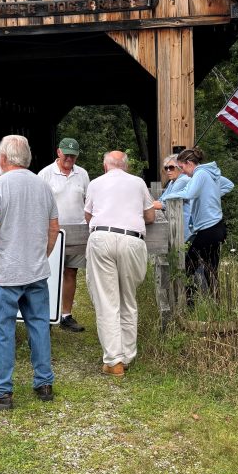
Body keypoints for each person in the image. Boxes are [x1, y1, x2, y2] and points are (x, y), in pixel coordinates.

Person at [0, 135, 59, 411]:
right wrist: (41, 255)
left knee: (2, 331)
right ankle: (44, 383)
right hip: (35, 271)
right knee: (39, 326)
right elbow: (53, 227)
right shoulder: (43, 186)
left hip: (7, 272)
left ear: (4, 158)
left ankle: (1, 392)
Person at [84, 150, 155, 376]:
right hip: (132, 240)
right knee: (128, 299)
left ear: (105, 166)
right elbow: (150, 216)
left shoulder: (95, 183)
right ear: (126, 166)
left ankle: (114, 360)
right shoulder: (138, 183)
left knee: (107, 300)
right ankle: (126, 355)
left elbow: (88, 215)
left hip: (102, 237)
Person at [38, 137, 90, 332]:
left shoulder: (82, 174)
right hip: (52, 232)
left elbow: (88, 200)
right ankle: (47, 315)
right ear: (58, 152)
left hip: (77, 231)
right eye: (66, 154)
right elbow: (38, 203)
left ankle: (66, 315)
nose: (69, 158)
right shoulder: (45, 174)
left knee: (71, 271)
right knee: (48, 273)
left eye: (73, 155)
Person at [175, 146, 234, 304]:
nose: (183, 172)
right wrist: (210, 194)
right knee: (210, 269)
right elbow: (229, 185)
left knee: (188, 267)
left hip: (209, 229)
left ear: (189, 163)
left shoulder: (200, 173)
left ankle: (190, 304)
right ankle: (217, 306)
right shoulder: (211, 173)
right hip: (218, 227)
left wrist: (168, 198)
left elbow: (188, 194)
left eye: (182, 167)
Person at [152, 154, 192, 240]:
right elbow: (162, 199)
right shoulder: (173, 181)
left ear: (179, 168)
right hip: (177, 222)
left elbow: (167, 203)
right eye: (166, 168)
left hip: (184, 225)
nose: (168, 170)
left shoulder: (183, 180)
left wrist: (148, 205)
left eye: (171, 167)